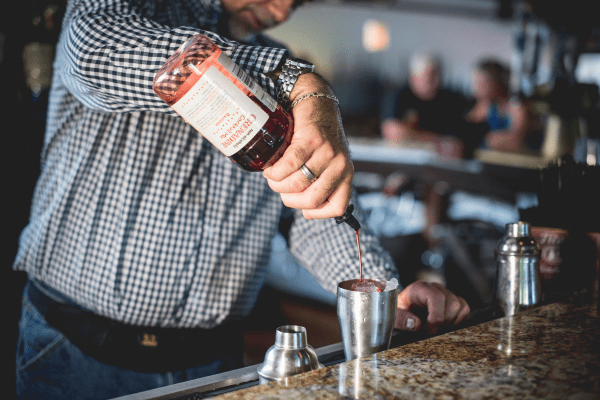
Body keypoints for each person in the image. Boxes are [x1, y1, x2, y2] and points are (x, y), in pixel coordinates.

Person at [13, 1, 470, 399]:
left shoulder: (284, 71)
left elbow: (312, 214)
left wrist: (384, 293)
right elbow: (90, 56)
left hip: (211, 364)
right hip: (69, 349)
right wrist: (298, 82)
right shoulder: (138, 10)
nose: (282, 10)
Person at [381, 52, 472, 160]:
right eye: (430, 76)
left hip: (442, 164)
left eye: (438, 74)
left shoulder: (452, 99)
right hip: (406, 159)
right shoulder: (400, 96)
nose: (436, 81)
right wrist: (434, 141)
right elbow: (392, 130)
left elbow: (459, 144)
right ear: (413, 77)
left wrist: (412, 135)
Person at [466, 59, 532, 153]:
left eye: (481, 84)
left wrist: (487, 138)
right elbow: (467, 130)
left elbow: (517, 140)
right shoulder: (486, 103)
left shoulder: (517, 104)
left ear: (496, 82)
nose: (476, 88)